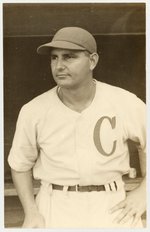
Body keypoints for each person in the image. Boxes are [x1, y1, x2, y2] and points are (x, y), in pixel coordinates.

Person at [8, 27, 146, 228]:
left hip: (113, 204)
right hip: (55, 204)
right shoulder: (33, 110)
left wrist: (144, 193)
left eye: (69, 57)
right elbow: (20, 165)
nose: (59, 65)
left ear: (92, 61)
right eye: (54, 58)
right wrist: (31, 212)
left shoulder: (124, 102)